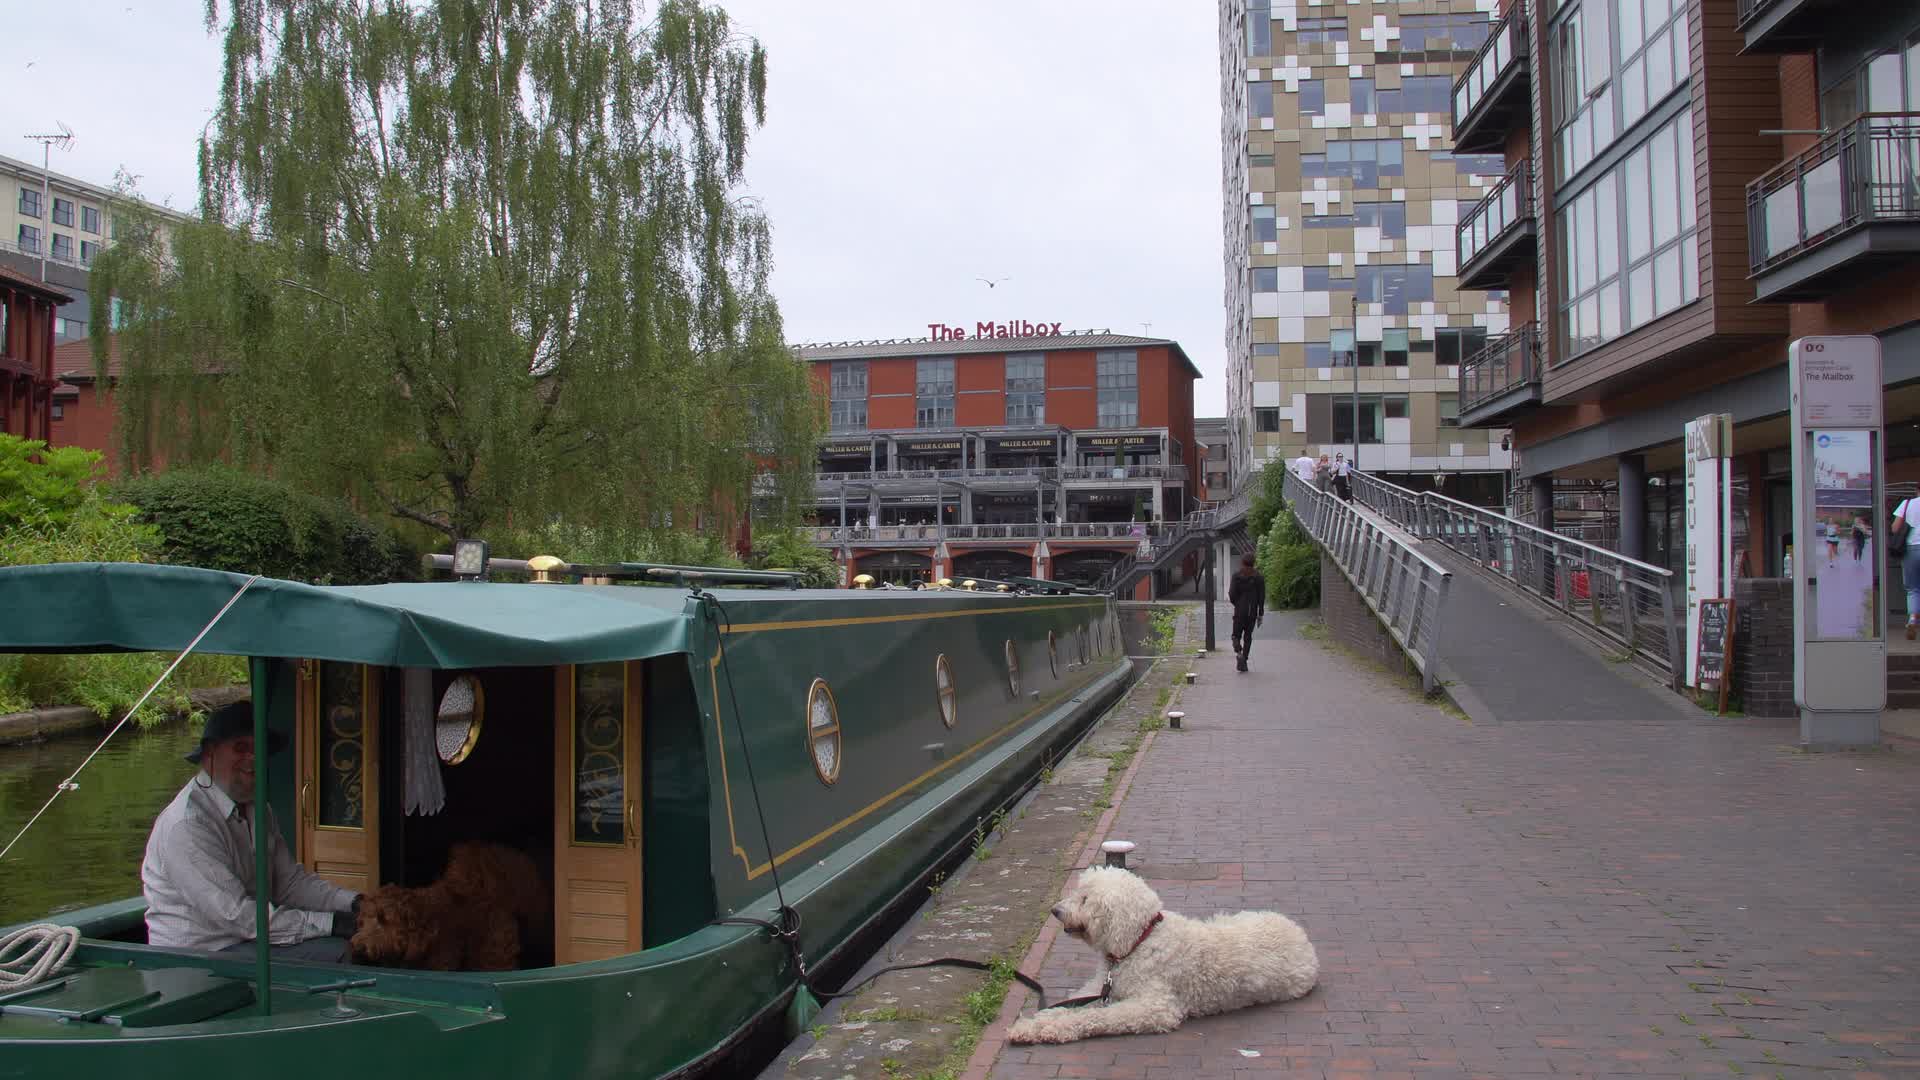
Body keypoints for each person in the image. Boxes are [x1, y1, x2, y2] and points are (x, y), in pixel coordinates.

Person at [142, 701, 362, 961]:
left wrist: (356, 904)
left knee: (360, 944)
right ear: (210, 753)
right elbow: (236, 915)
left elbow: (289, 883)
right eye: (240, 748)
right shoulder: (188, 824)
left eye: (259, 748)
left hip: (245, 940)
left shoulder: (258, 808)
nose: (252, 758)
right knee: (346, 952)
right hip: (198, 956)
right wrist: (334, 924)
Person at [1228, 553, 1266, 673]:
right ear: (1253, 564)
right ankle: (1244, 658)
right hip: (1252, 612)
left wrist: (1237, 604)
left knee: (1235, 635)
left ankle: (1239, 652)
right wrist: (1260, 613)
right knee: (1248, 636)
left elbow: (1231, 594)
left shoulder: (1236, 576)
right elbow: (1261, 597)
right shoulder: (1259, 577)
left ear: (1243, 563)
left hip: (1239, 611)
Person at [1895, 499, 1920, 640]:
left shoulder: (1906, 503)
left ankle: (1912, 620)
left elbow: (1895, 527)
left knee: (1913, 589)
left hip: (1912, 549)